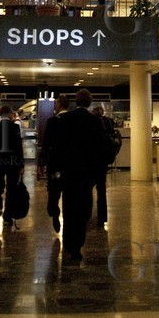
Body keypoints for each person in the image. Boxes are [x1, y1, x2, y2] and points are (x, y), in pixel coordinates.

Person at [45, 89, 106, 263]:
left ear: (75, 102)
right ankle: (78, 245)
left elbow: (58, 147)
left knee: (69, 207)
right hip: (85, 174)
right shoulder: (95, 122)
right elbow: (100, 149)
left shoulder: (65, 120)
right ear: (89, 102)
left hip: (68, 173)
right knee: (83, 209)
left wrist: (55, 170)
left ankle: (69, 243)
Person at [0, 105, 25, 229]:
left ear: (0, 113)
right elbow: (19, 148)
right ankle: (7, 217)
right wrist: (21, 164)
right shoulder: (15, 127)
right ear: (10, 114)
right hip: (13, 163)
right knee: (11, 189)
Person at [38, 93, 70, 233]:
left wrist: (42, 163)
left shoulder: (52, 121)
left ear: (59, 105)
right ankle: (68, 220)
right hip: (69, 163)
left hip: (55, 162)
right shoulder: (73, 120)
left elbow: (46, 144)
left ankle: (55, 213)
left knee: (54, 192)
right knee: (69, 193)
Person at [89, 105, 115, 229]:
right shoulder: (107, 125)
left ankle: (87, 215)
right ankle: (102, 217)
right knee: (101, 190)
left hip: (91, 162)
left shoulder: (91, 127)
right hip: (102, 162)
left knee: (88, 189)